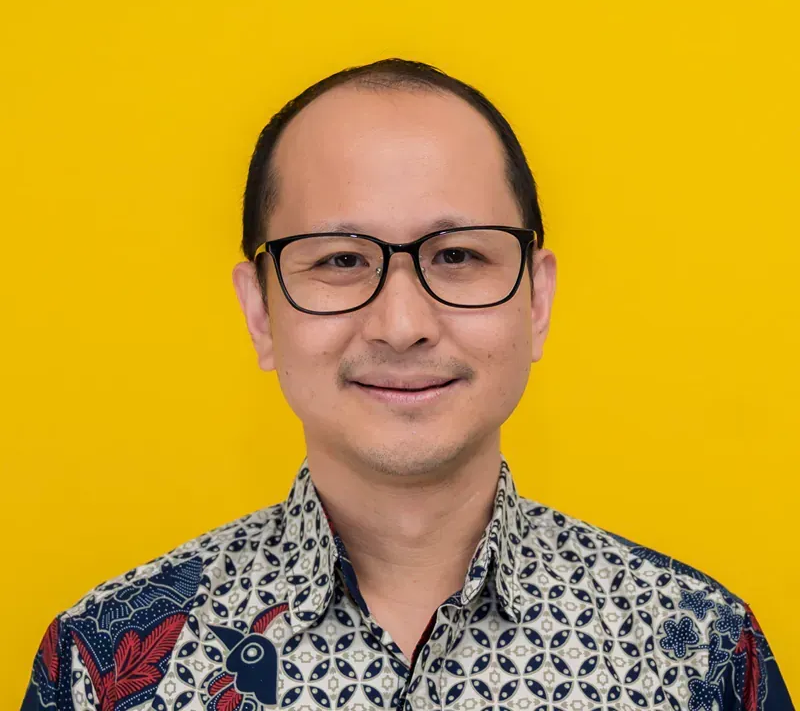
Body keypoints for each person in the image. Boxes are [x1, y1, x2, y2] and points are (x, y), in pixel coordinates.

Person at [22, 59, 793, 711]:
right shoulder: (106, 665)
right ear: (259, 310)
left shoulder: (696, 653)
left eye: (457, 257)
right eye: (339, 260)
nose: (401, 323)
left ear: (536, 300)